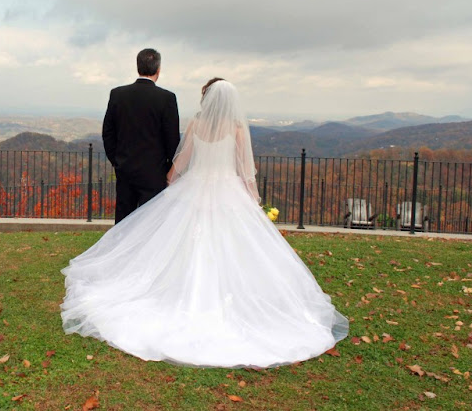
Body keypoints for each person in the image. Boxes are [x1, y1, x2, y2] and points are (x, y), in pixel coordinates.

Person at [62, 78, 348, 368]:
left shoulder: (197, 125)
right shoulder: (236, 129)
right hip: (228, 194)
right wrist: (255, 203)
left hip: (195, 192)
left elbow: (182, 160)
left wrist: (170, 181)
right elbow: (246, 171)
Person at [102, 48, 180, 223]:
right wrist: (167, 168)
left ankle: (120, 250)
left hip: (125, 169)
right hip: (155, 172)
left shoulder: (118, 94)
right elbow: (172, 139)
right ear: (158, 70)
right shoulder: (167, 98)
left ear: (138, 67)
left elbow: (108, 132)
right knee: (150, 224)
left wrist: (117, 160)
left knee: (123, 222)